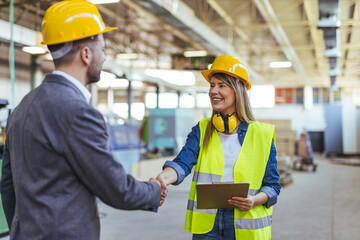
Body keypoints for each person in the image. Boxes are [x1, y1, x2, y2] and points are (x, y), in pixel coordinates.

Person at [0, 1, 165, 239]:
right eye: (103, 49)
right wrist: (153, 190)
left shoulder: (23, 107)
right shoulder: (79, 113)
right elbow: (116, 188)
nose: (105, 57)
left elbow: (7, 185)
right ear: (86, 54)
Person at [155, 55, 281, 240]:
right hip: (208, 225)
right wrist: (163, 179)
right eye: (212, 85)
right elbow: (182, 163)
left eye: (222, 85)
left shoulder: (262, 134)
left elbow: (272, 185)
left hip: (244, 224)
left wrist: (254, 200)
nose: (214, 91)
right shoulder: (203, 129)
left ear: (238, 89)